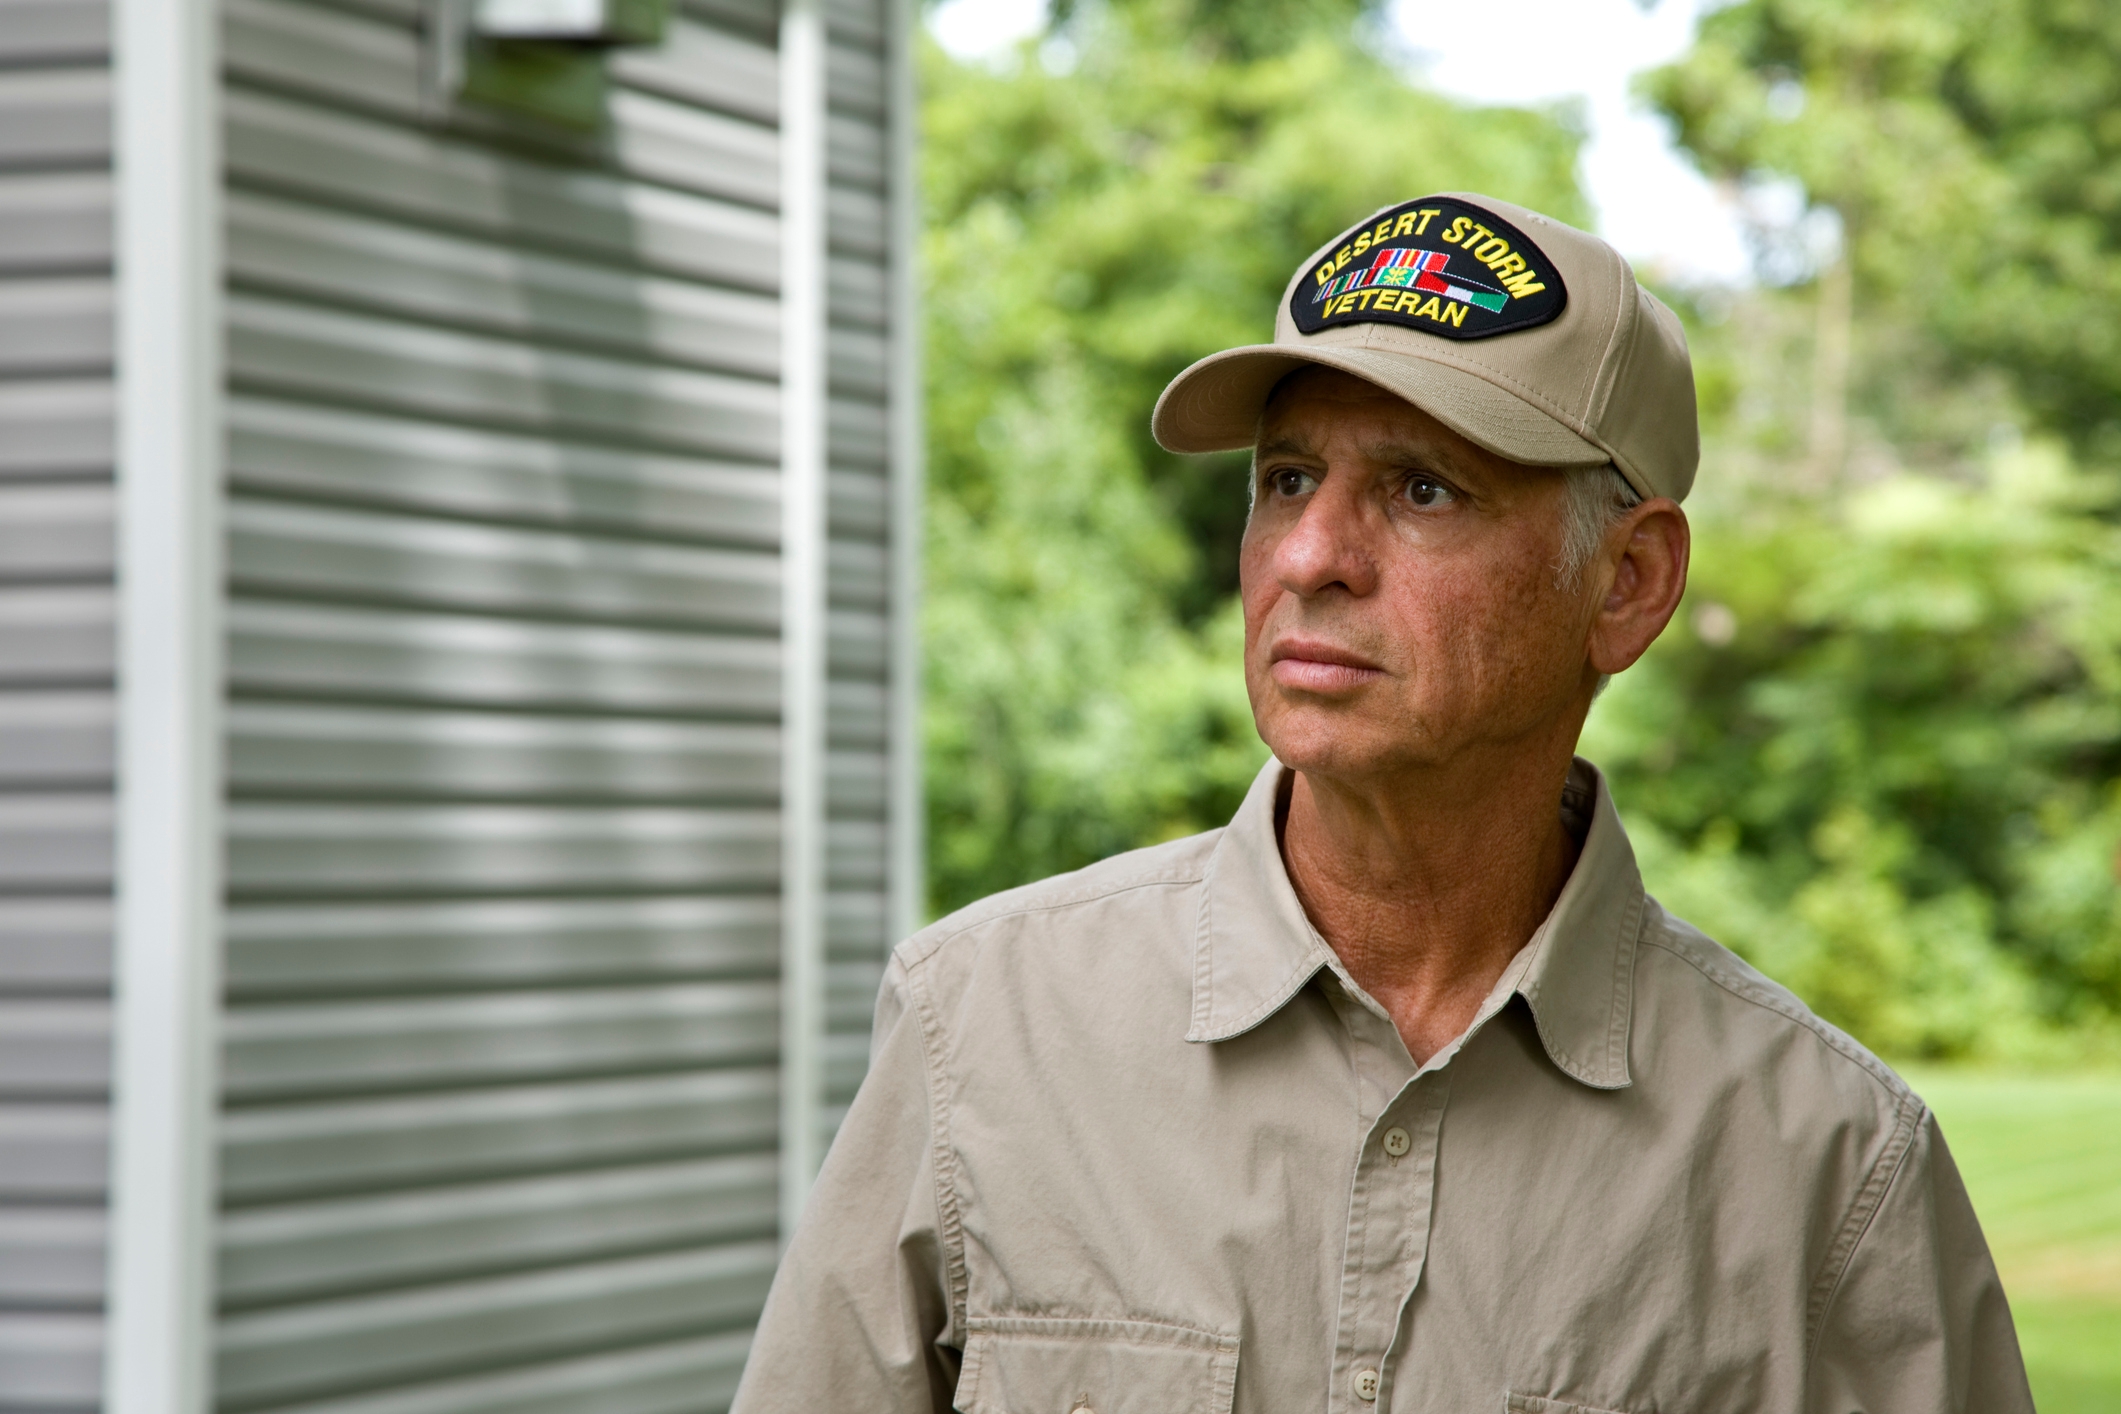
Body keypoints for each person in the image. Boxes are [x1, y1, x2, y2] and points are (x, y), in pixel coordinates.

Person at [731, 194, 2032, 1413]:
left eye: (1421, 489)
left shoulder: (1829, 1170)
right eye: (1286, 478)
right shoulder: (984, 1025)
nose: (1306, 557)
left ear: (1628, 580)